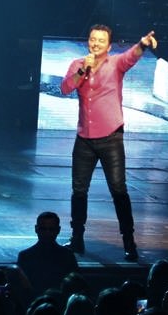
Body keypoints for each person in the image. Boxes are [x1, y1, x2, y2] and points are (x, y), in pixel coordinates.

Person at [59, 24, 157, 261]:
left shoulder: (115, 64)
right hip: (84, 138)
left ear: (109, 45)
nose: (96, 44)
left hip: (111, 137)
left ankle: (129, 241)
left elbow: (130, 57)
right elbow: (65, 88)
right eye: (93, 39)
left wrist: (143, 44)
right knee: (79, 191)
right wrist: (84, 70)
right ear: (88, 41)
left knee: (118, 190)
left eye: (101, 41)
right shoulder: (78, 64)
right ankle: (77, 238)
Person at [16, 211, 79, 299]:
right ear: (36, 229)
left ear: (58, 230)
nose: (47, 233)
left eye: (51, 229)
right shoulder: (67, 255)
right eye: (43, 229)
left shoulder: (25, 256)